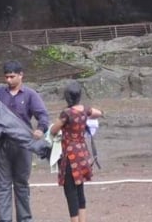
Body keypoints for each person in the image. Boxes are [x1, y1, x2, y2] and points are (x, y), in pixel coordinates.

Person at [0, 61, 50, 222]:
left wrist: (40, 129)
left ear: (21, 75)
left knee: (21, 184)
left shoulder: (30, 94)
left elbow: (43, 115)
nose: (8, 80)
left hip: (23, 145)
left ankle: (25, 219)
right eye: (6, 77)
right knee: (1, 186)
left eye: (12, 77)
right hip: (0, 144)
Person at [50, 82, 102, 222]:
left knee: (70, 192)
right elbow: (99, 113)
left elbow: (53, 130)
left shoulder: (66, 113)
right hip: (82, 153)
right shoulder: (85, 109)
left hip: (70, 154)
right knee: (80, 190)